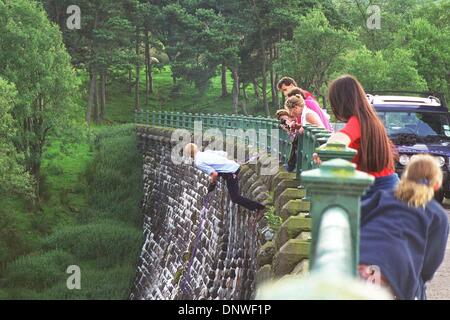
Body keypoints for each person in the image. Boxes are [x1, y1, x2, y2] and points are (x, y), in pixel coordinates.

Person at [359, 154, 449, 300]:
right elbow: (431, 262)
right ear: (437, 184)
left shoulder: (382, 196)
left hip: (361, 259)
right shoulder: (437, 215)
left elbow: (357, 216)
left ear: (405, 177)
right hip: (395, 270)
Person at [314, 75, 398, 200]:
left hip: (375, 191)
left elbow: (337, 141)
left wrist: (322, 151)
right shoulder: (369, 119)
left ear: (340, 102)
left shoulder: (357, 121)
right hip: (383, 187)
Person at [184, 143, 266, 215]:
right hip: (231, 167)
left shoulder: (198, 162)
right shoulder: (206, 152)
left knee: (235, 198)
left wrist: (212, 184)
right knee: (233, 194)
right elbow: (223, 155)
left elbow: (214, 174)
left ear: (190, 155)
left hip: (231, 171)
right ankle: (257, 208)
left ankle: (259, 208)